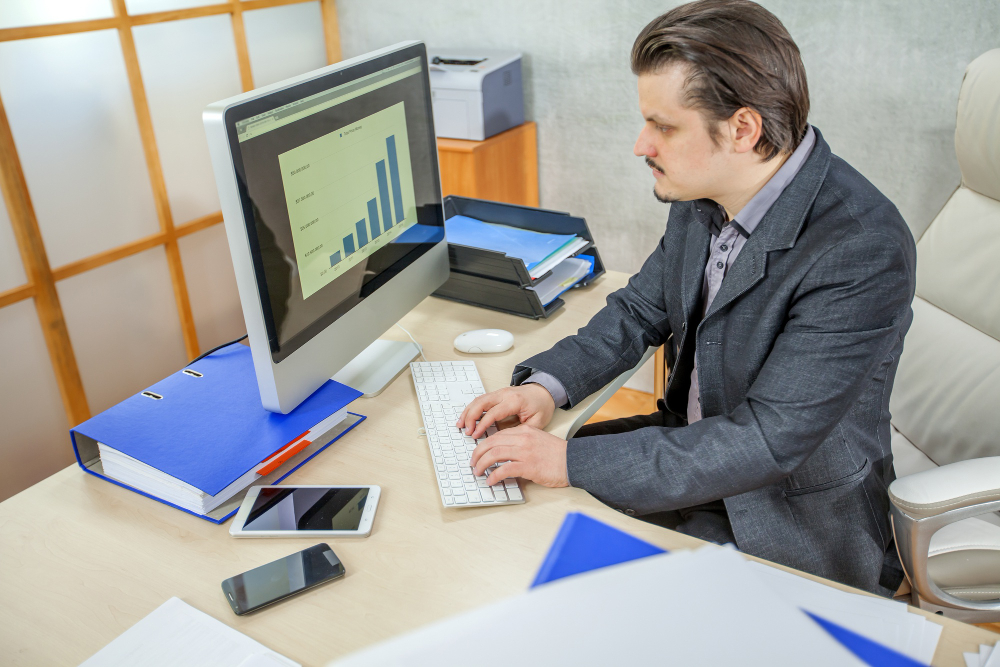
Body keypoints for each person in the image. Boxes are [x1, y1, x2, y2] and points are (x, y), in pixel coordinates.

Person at [459, 0, 916, 597]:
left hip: (783, 514)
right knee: (503, 509)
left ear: (743, 129)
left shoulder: (861, 246)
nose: (640, 145)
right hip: (690, 460)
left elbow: (766, 441)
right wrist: (543, 387)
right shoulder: (705, 195)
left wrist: (567, 463)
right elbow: (639, 310)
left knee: (570, 587)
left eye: (664, 127)